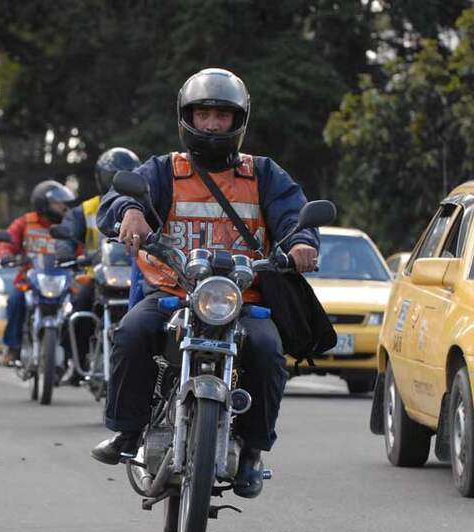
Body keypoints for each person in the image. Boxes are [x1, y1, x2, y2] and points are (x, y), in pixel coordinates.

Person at [92, 68, 319, 499]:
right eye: (203, 115)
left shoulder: (264, 174)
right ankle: (127, 432)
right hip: (172, 293)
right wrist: (129, 212)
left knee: (270, 350)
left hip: (241, 297)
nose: (212, 124)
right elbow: (118, 201)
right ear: (187, 119)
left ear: (239, 122)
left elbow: (294, 216)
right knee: (131, 333)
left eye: (222, 116)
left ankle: (252, 452)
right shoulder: (163, 170)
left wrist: (302, 241)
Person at [55, 148, 141, 379]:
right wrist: (65, 253)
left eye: (125, 177)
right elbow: (68, 235)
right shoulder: (85, 210)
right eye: (113, 177)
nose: (118, 184)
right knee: (78, 307)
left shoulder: (143, 207)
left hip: (136, 275)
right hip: (98, 275)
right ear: (102, 178)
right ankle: (76, 361)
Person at [0, 179, 76, 366]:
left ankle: (72, 355)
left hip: (61, 281)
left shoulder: (68, 224)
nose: (63, 206)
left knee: (77, 308)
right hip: (29, 279)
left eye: (64, 203)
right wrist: (6, 254)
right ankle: (13, 347)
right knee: (15, 300)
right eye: (58, 203)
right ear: (43, 203)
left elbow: (78, 247)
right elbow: (8, 242)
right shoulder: (25, 222)